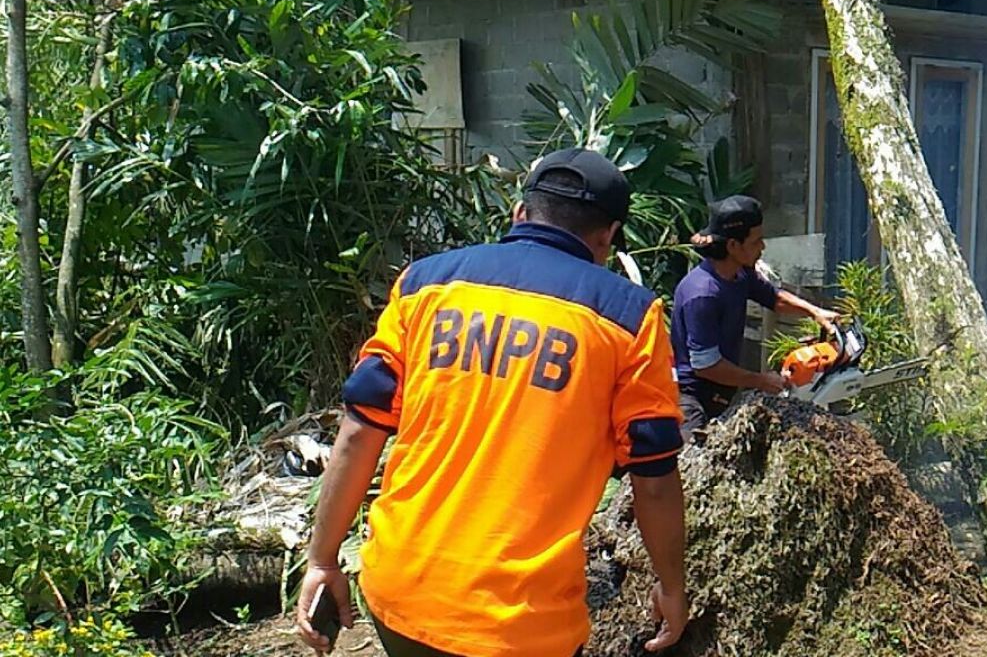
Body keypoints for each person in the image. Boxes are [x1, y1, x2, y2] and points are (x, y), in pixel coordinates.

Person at [296, 148, 688, 657]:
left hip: (401, 595)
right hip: (521, 624)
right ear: (607, 236)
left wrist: (323, 560)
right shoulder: (629, 319)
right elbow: (653, 479)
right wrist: (672, 588)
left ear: (520, 214)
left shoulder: (425, 284)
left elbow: (358, 430)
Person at [672, 195, 839, 441]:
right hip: (692, 401)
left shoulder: (739, 274)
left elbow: (773, 297)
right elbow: (706, 365)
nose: (762, 247)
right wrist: (760, 380)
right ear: (732, 246)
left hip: (722, 394)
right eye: (756, 241)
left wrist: (815, 312)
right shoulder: (703, 294)